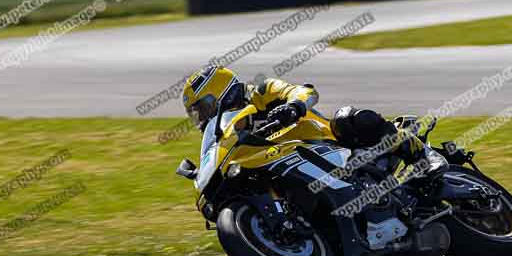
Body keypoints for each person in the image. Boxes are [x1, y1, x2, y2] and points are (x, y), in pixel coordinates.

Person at [182, 66, 425, 163]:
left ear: (221, 93)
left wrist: (293, 107)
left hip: (331, 143)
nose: (201, 118)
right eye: (196, 114)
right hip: (293, 165)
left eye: (202, 109)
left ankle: (419, 153)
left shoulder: (262, 92)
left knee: (346, 117)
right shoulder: (228, 133)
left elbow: (304, 91)